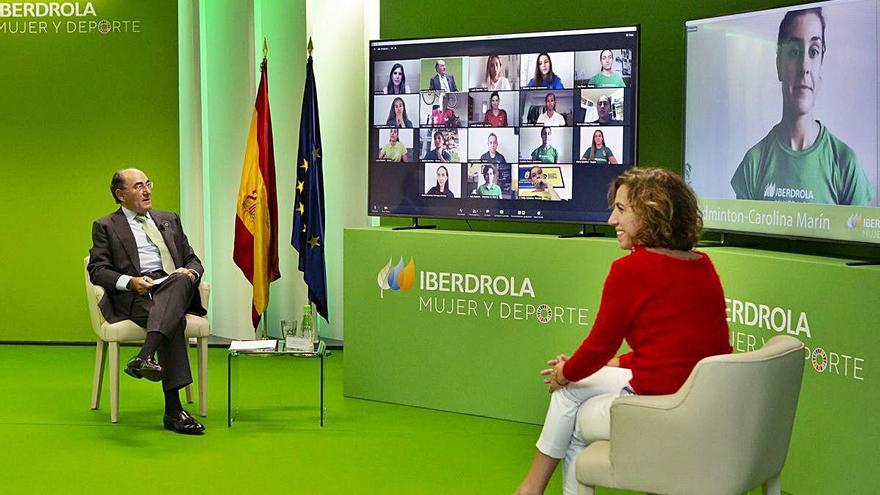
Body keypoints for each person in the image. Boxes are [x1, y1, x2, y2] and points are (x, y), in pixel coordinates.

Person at [514, 167, 732, 495]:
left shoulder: (629, 270)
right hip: (702, 405)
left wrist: (565, 372)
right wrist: (599, 366)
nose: (611, 222)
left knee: (570, 403)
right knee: (573, 387)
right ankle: (531, 490)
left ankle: (530, 489)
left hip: (658, 410)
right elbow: (675, 350)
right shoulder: (701, 264)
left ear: (652, 213)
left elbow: (599, 346)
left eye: (621, 210)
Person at [87, 168, 207, 435]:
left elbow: (192, 259)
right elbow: (98, 269)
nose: (147, 190)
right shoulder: (106, 226)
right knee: (171, 318)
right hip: (139, 293)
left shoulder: (169, 219)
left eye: (148, 184)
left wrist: (192, 273)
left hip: (173, 283)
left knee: (180, 280)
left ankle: (145, 355)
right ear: (121, 195)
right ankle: (174, 411)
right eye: (138, 186)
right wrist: (130, 282)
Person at [730, 7, 873, 205]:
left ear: (821, 63)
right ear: (779, 63)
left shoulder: (845, 163)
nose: (804, 67)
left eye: (813, 52)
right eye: (794, 51)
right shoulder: (754, 163)